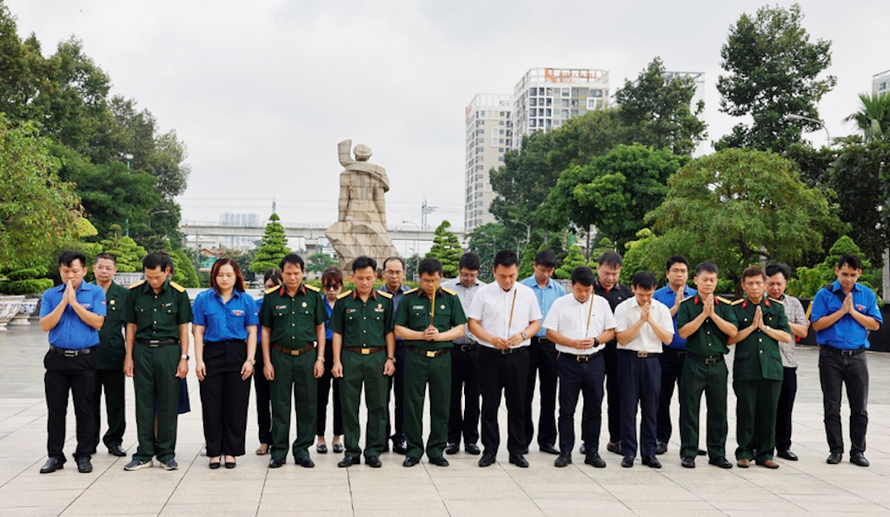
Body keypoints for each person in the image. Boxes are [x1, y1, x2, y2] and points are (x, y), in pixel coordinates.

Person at [468, 250, 542, 468]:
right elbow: (473, 323)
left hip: (518, 356)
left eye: (511, 275)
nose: (507, 280)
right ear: (493, 272)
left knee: (518, 404)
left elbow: (536, 322)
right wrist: (491, 339)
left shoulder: (527, 293)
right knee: (490, 404)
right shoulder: (483, 293)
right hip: (489, 355)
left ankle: (517, 450)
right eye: (502, 276)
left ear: (518, 271)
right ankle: (489, 450)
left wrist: (523, 335)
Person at [810, 253, 882, 467]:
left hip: (857, 357)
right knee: (832, 406)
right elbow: (816, 325)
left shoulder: (866, 294)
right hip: (830, 356)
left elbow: (875, 324)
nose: (847, 279)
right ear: (836, 271)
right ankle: (835, 449)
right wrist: (842, 311)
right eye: (844, 274)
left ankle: (858, 450)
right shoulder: (825, 294)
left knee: (859, 407)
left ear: (859, 273)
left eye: (852, 275)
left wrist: (852, 311)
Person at [122, 252, 192, 471]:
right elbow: (130, 327)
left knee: (168, 404)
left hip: (169, 351)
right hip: (142, 351)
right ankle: (144, 453)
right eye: (148, 277)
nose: (153, 281)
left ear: (167, 272)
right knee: (143, 404)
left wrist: (184, 358)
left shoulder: (179, 294)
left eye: (157, 277)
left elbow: (183, 329)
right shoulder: (134, 293)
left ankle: (166, 454)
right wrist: (129, 356)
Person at [38, 251, 106, 474]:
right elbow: (46, 325)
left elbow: (97, 322)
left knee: (85, 409)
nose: (70, 276)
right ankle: (55, 456)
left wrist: (75, 304)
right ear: (60, 270)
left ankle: (83, 454)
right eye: (65, 271)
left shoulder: (95, 292)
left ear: (84, 271)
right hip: (57, 359)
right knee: (56, 410)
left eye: (75, 271)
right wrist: (63, 303)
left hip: (84, 359)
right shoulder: (50, 294)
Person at [395, 258, 467, 467]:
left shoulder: (450, 299)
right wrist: (420, 334)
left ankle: (436, 449)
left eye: (434, 280)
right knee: (412, 405)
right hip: (416, 357)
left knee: (441, 405)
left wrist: (440, 335)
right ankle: (414, 450)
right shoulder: (409, 299)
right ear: (419, 278)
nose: (430, 285)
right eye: (426, 280)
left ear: (441, 278)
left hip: (442, 358)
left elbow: (460, 328)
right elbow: (399, 329)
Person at [543, 266, 615, 469]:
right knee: (567, 408)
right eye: (579, 290)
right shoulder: (560, 304)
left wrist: (595, 340)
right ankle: (565, 450)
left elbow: (611, 331)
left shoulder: (601, 303)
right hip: (568, 361)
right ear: (572, 286)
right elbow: (550, 332)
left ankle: (591, 450)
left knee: (594, 408)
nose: (583, 294)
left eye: (587, 290)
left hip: (594, 361)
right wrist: (571, 342)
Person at [260, 253, 327, 469]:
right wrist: (267, 362)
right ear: (282, 273)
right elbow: (266, 331)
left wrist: (320, 359)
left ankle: (302, 450)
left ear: (303, 273)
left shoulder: (314, 296)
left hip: (307, 356)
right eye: (288, 273)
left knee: (307, 405)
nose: (292, 277)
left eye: (296, 273)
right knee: (280, 404)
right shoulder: (272, 298)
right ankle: (279, 451)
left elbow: (320, 328)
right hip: (279, 356)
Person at [331, 256, 396, 468]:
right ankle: (351, 451)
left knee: (377, 406)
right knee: (349, 406)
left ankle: (373, 451)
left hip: (377, 358)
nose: (365, 282)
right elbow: (338, 333)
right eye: (360, 278)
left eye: (369, 278)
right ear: (352, 277)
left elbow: (389, 332)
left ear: (376, 277)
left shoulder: (385, 301)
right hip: (350, 357)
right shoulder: (343, 301)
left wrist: (390, 358)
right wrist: (337, 361)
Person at [193, 258, 259, 469]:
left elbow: (252, 331)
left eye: (229, 274)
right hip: (212, 353)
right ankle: (214, 451)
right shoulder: (203, 299)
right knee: (211, 404)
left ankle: (231, 451)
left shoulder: (246, 300)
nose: (224, 278)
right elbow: (198, 331)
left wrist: (250, 360)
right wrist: (199, 360)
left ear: (236, 276)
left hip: (238, 354)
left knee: (236, 404)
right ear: (214, 276)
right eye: (220, 274)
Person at [728, 266, 791, 469]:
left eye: (758, 283)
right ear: (743, 285)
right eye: (750, 283)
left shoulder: (776, 307)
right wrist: (751, 328)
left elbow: (786, 336)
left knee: (769, 412)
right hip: (747, 368)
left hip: (771, 368)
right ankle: (744, 452)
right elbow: (730, 338)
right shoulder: (736, 308)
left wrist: (765, 328)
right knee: (746, 411)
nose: (754, 287)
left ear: (765, 285)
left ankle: (765, 453)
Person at [676, 261, 738, 469]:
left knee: (718, 410)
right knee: (689, 409)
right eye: (704, 279)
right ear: (696, 280)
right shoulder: (687, 305)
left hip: (718, 364)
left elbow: (733, 331)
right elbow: (683, 332)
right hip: (694, 363)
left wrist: (713, 315)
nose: (708, 283)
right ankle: (689, 452)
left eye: (712, 280)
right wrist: (703, 314)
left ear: (717, 281)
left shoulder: (725, 306)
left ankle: (717, 453)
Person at [614, 271, 674, 469]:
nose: (645, 299)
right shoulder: (623, 308)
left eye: (649, 294)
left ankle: (649, 452)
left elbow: (667, 338)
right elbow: (621, 338)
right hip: (629, 359)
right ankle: (628, 452)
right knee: (628, 408)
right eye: (641, 294)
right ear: (633, 289)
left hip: (652, 361)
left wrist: (650, 320)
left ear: (654, 290)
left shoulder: (662, 310)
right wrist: (640, 321)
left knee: (651, 408)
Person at [652, 256, 701, 456]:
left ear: (689, 275)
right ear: (667, 273)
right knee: (662, 398)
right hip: (665, 354)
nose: (679, 274)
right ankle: (661, 438)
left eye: (683, 270)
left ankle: (690, 442)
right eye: (675, 270)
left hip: (691, 355)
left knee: (690, 400)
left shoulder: (698, 295)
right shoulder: (657, 296)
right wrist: (677, 307)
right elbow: (653, 323)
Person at [519, 249, 565, 455]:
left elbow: (563, 319)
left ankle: (547, 440)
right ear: (534, 265)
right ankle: (522, 439)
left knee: (549, 393)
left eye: (549, 270)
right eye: (542, 269)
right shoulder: (523, 288)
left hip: (550, 344)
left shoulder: (559, 291)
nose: (545, 274)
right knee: (524, 393)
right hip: (528, 343)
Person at [765, 263, 810, 461]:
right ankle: (761, 445)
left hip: (787, 361)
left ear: (786, 284)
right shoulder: (758, 302)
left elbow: (803, 330)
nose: (775, 288)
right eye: (771, 283)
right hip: (764, 361)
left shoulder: (793, 304)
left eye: (779, 284)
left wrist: (782, 319)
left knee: (785, 406)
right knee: (764, 407)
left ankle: (783, 446)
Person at [442, 252, 486, 455]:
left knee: (473, 396)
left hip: (477, 351)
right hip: (452, 350)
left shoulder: (485, 290)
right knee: (451, 396)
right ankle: (452, 439)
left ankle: (471, 439)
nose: (469, 279)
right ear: (459, 270)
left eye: (473, 275)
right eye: (466, 274)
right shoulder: (446, 289)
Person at [591, 251, 633, 456]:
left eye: (615, 274)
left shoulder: (626, 294)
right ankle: (589, 440)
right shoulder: (588, 290)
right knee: (593, 397)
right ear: (598, 268)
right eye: (606, 273)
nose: (610, 278)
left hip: (619, 352)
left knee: (618, 397)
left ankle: (616, 439)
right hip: (594, 350)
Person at [92, 252, 129, 458]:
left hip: (114, 355)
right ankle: (89, 440)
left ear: (115, 271)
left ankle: (114, 440)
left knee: (115, 401)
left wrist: (129, 356)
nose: (104, 271)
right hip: (88, 355)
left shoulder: (123, 294)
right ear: (94, 268)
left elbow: (129, 328)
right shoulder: (84, 291)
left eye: (108, 268)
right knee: (89, 401)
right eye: (101, 267)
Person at [380, 256, 410, 454]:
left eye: (398, 272)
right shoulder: (375, 297)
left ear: (404, 274)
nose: (394, 276)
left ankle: (400, 438)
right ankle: (381, 438)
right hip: (381, 352)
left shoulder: (411, 296)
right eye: (390, 272)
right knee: (381, 397)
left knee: (404, 397)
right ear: (383, 274)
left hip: (406, 350)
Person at [253, 268, 282, 456]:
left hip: (280, 352)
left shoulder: (286, 304)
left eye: (275, 286)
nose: (270, 290)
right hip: (259, 353)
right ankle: (264, 439)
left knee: (280, 400)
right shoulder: (257, 305)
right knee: (263, 399)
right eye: (267, 287)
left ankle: (279, 438)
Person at [316, 266, 344, 454]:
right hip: (322, 351)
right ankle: (320, 438)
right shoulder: (317, 303)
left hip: (343, 352)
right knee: (320, 396)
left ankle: (337, 437)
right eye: (328, 287)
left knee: (340, 397)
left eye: (335, 286)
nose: (332, 290)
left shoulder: (347, 303)